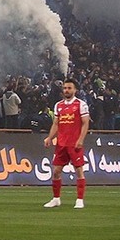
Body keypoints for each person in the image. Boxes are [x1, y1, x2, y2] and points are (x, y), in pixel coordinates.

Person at [42, 79, 89, 209]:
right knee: (56, 171)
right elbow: (56, 123)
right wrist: (50, 137)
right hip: (61, 143)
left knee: (78, 170)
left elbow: (85, 123)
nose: (66, 90)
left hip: (75, 143)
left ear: (75, 90)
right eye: (65, 88)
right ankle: (56, 199)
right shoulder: (58, 105)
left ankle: (80, 199)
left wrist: (81, 139)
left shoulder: (81, 105)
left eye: (69, 88)